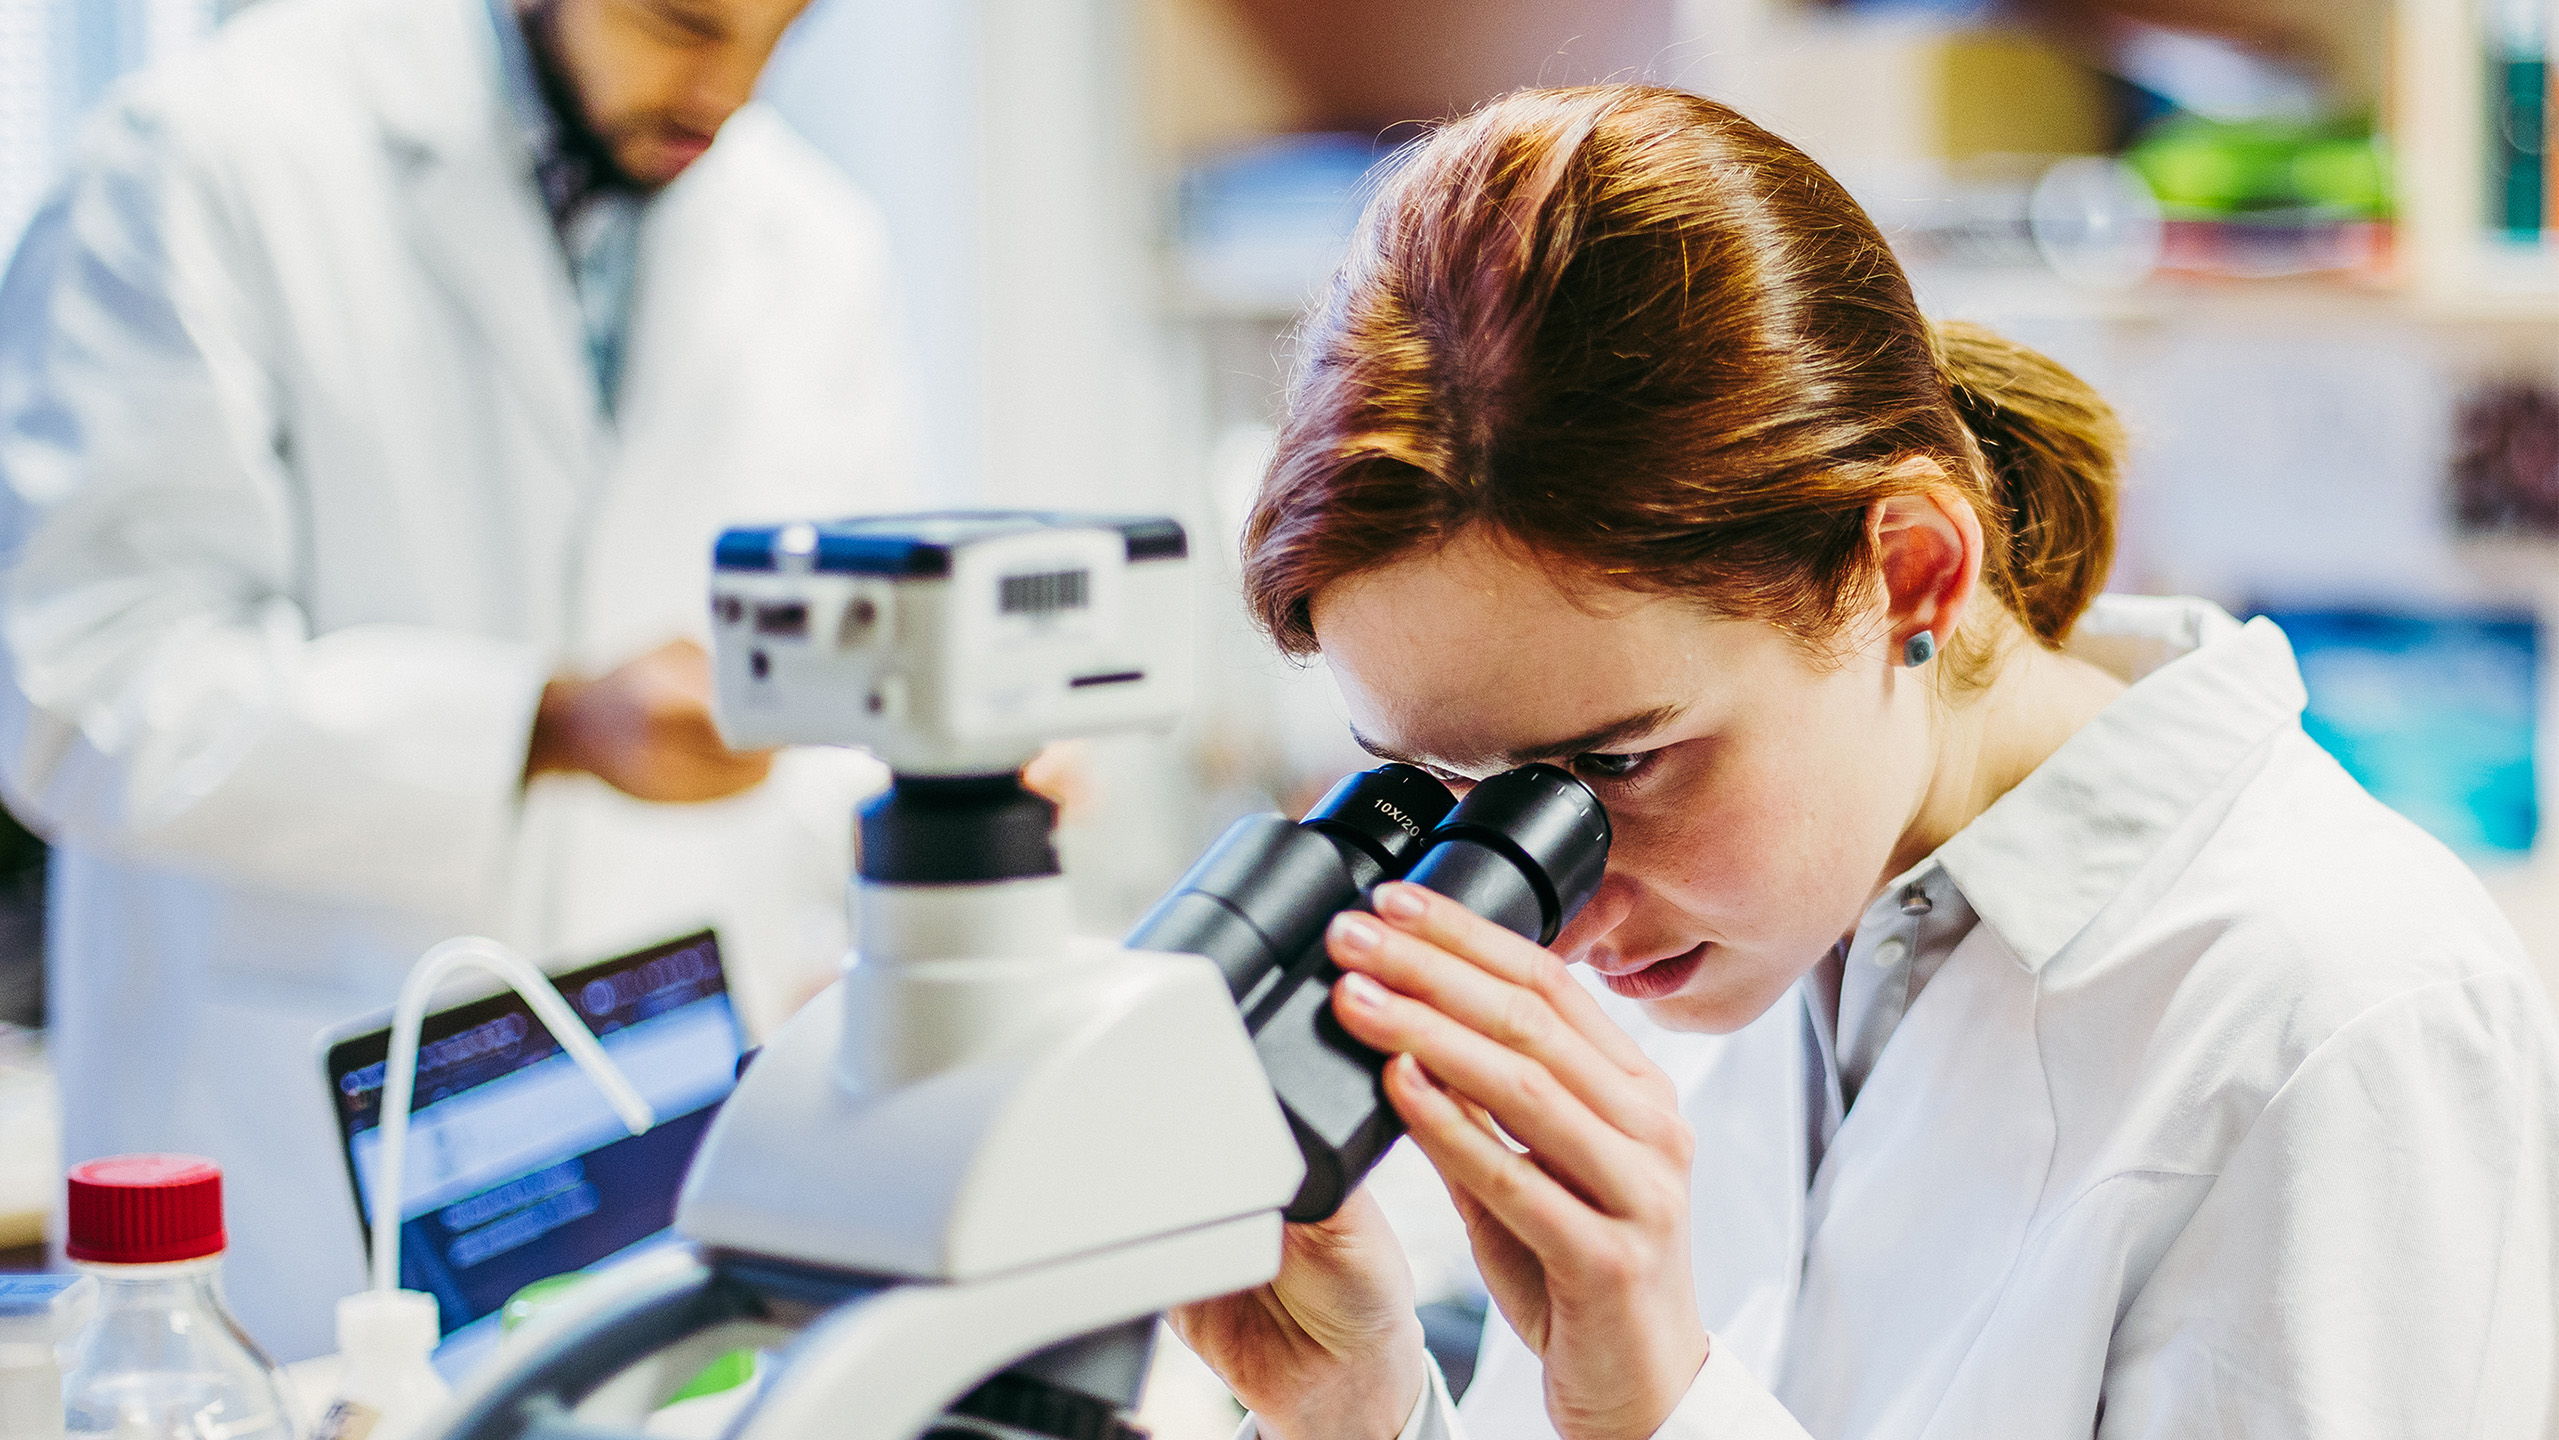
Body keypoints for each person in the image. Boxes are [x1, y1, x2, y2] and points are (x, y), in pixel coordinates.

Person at [1171, 85, 2559, 1439]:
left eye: (1620, 765)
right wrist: (1360, 1413)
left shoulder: (2347, 1017)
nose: (1561, 916)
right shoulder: (1774, 906)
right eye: (1454, 799)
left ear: (1911, 572)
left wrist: (1661, 1404)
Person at [0, 0, 914, 1357]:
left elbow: (833, 686)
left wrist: (923, 789)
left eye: (781, 36)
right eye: (683, 24)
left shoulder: (812, 240)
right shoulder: (202, 161)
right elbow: (82, 691)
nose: (725, 92)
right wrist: (541, 726)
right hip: (281, 1170)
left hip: (653, 1140)